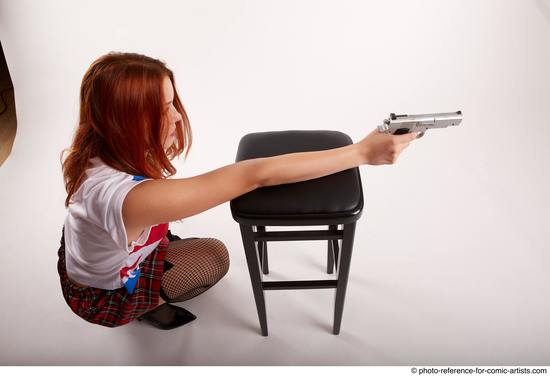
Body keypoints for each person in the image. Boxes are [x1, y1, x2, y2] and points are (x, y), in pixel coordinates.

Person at [57, 51, 418, 330]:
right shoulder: (128, 200)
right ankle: (144, 306)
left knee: (176, 238)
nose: (178, 117)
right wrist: (360, 153)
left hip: (94, 251)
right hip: (104, 294)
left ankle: (143, 256)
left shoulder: (101, 147)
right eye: (164, 109)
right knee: (214, 256)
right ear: (127, 121)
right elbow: (254, 175)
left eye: (171, 103)